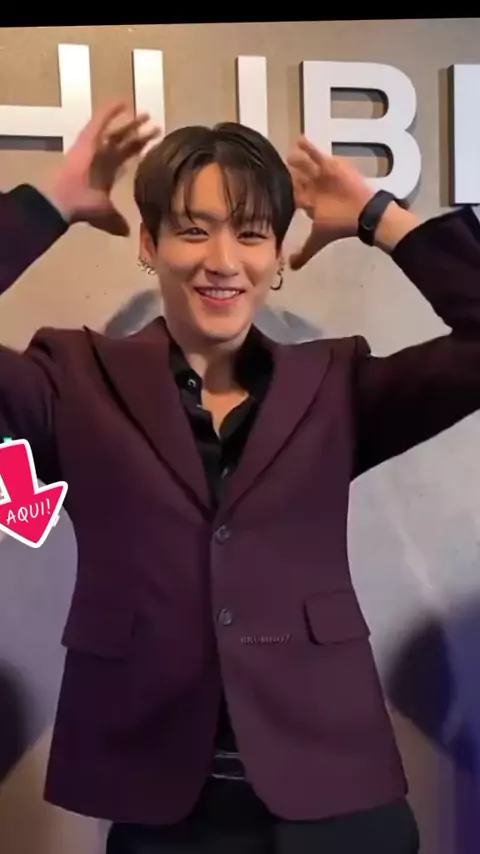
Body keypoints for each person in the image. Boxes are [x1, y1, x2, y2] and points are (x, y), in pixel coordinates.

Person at [1, 101, 480, 854]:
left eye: (252, 233)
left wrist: (377, 216)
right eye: (194, 230)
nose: (223, 260)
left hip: (337, 796)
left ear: (278, 255)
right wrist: (49, 203)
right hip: (162, 803)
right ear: (150, 243)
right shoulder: (73, 376)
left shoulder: (334, 383)